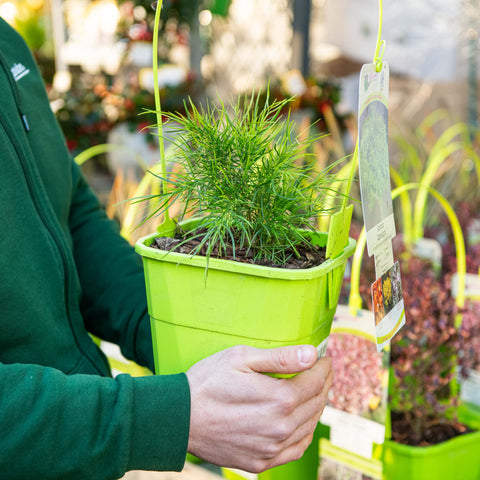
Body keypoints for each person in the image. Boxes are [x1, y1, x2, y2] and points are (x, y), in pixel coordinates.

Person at [0, 17, 333, 480]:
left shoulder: (6, 42)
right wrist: (163, 417)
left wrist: (190, 334)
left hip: (81, 455)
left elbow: (69, 213)